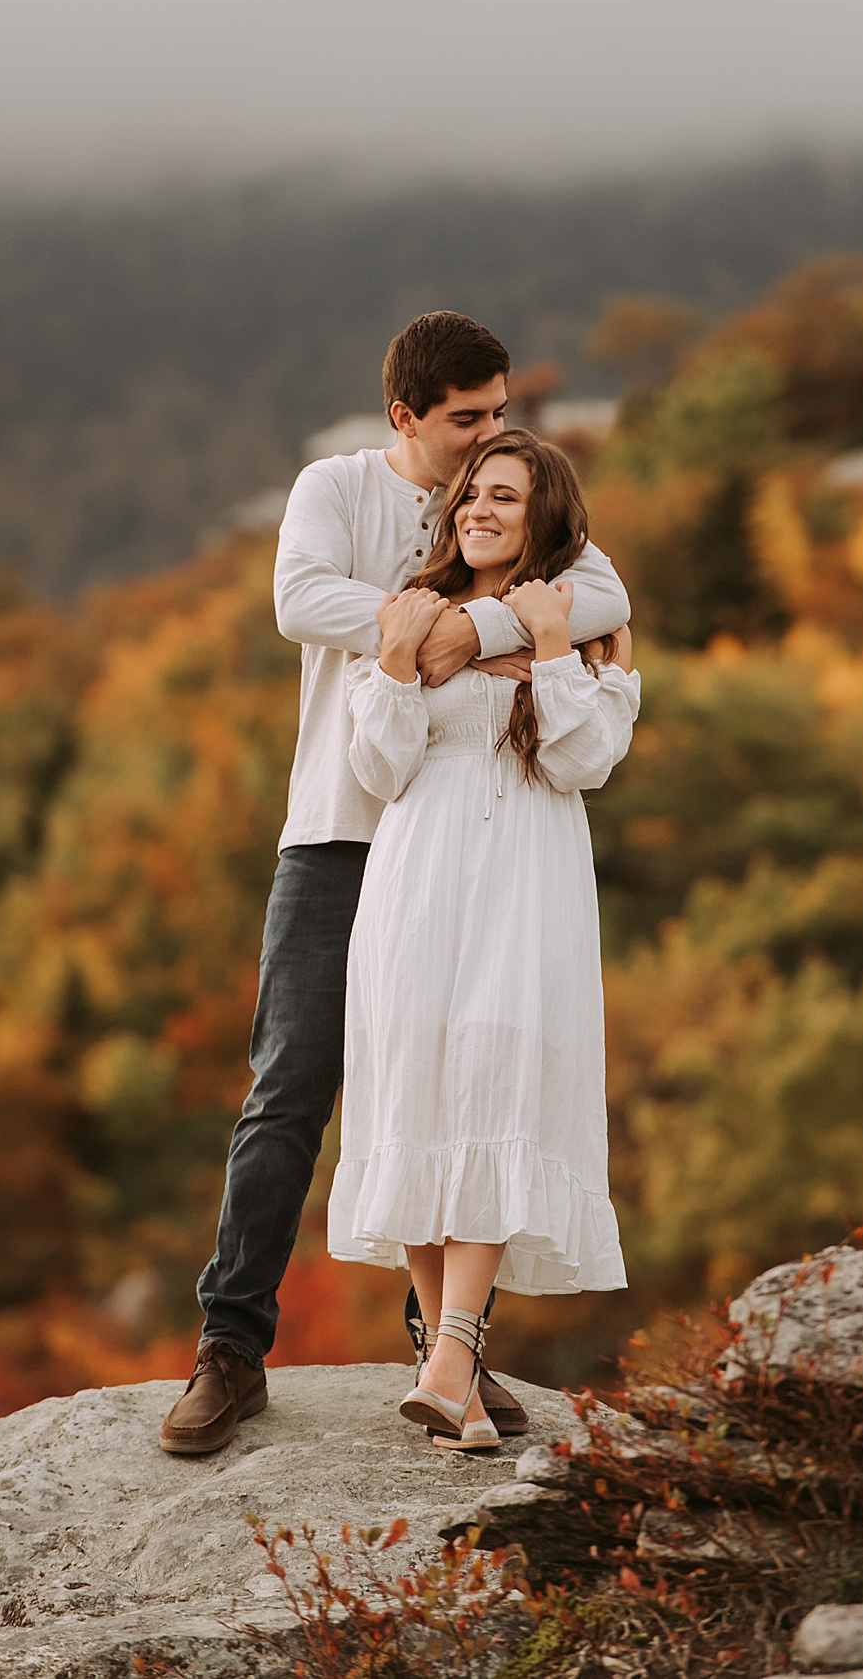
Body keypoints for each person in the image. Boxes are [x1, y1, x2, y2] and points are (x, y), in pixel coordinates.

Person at [161, 313, 629, 1457]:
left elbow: (602, 595)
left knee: (471, 1067)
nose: (490, 435)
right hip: (342, 827)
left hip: (476, 834)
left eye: (500, 413)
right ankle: (231, 1347)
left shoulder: (519, 497)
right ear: (406, 418)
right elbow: (296, 599)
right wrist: (443, 629)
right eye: (467, 419)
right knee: (294, 1085)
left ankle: (448, 1351)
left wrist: (463, 627)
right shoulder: (336, 486)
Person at [332, 428, 638, 1451]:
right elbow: (380, 767)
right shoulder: (417, 612)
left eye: (505, 496)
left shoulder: (581, 619)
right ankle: (447, 1377)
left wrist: (548, 648)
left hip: (525, 881)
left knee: (494, 1082)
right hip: (417, 877)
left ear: (543, 515)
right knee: (418, 1088)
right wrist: (393, 660)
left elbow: (585, 758)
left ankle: (456, 1348)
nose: (479, 508)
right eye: (471, 491)